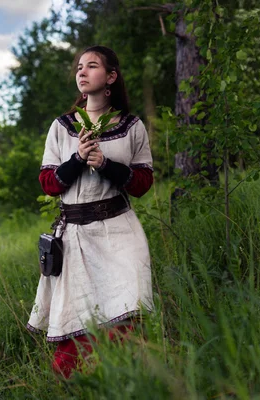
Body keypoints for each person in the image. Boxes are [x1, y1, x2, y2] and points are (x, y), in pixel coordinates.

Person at [26, 45, 154, 379]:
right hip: (76, 234)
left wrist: (108, 165)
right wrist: (77, 160)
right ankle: (70, 384)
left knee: (129, 305)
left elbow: (142, 183)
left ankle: (123, 379)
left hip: (120, 231)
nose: (81, 72)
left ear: (110, 77)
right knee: (78, 316)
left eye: (92, 66)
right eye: (79, 67)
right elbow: (48, 183)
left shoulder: (131, 126)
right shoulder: (62, 126)